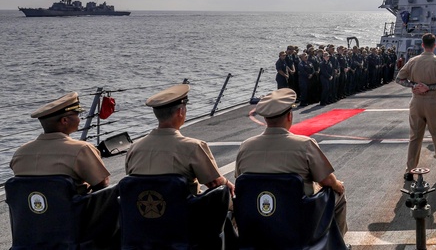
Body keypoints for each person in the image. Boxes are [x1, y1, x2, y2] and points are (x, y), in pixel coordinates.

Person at [236, 88, 348, 237]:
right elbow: (326, 181)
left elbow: (240, 181)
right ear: (289, 116)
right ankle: (336, 245)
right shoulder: (305, 145)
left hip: (259, 217)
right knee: (337, 194)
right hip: (299, 220)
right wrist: (337, 186)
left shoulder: (245, 147)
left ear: (265, 119)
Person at [10, 92, 117, 247]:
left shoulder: (20, 152)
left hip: (32, 229)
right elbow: (102, 185)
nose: (80, 118)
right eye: (77, 114)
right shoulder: (81, 149)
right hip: (73, 228)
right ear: (65, 120)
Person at [126, 84, 233, 196]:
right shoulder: (193, 147)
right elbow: (215, 184)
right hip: (184, 212)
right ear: (180, 112)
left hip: (142, 211)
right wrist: (227, 183)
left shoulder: (134, 149)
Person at [395, 33, 436, 181]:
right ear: (434, 45)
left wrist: (414, 85)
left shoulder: (413, 61)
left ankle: (410, 171)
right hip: (433, 102)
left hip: (416, 102)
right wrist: (428, 87)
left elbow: (399, 79)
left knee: (415, 137)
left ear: (422, 45)